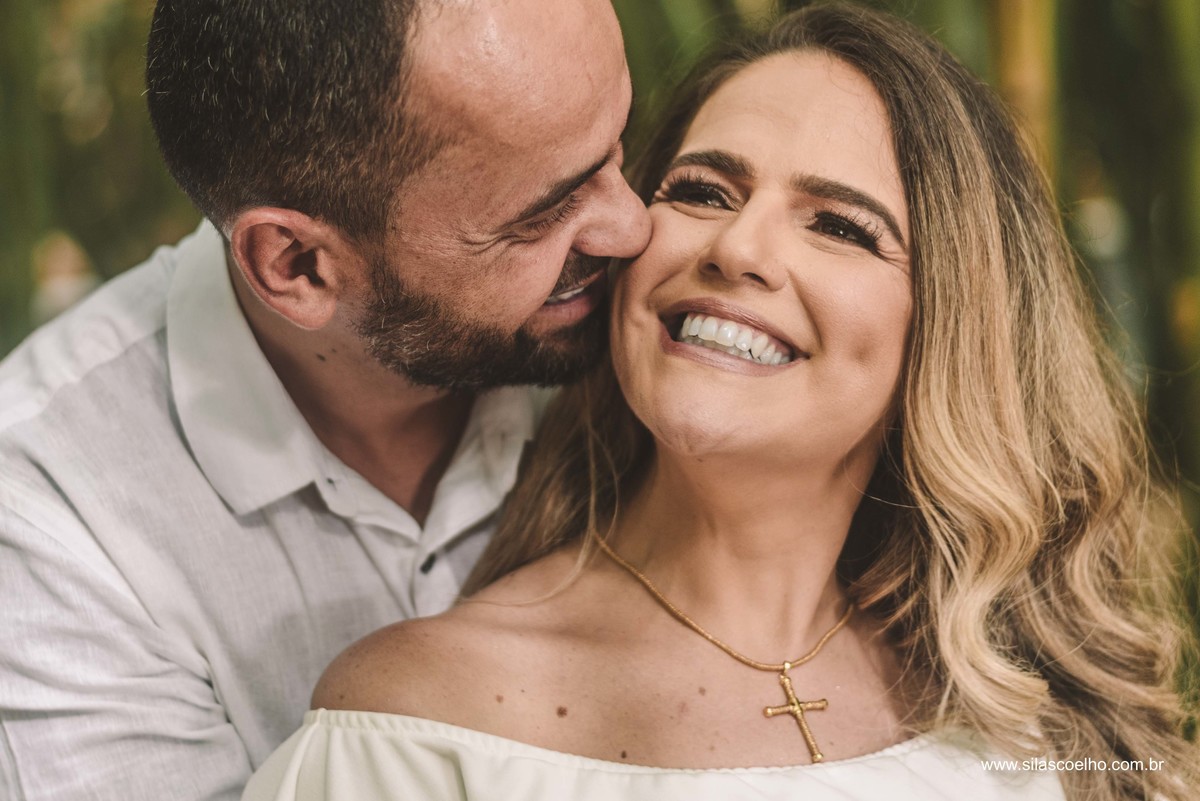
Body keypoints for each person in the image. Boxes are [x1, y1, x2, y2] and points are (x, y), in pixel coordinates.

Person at [241, 3, 1200, 800]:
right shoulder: (411, 732)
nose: (738, 249)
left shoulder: (1051, 713)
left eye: (838, 226)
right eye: (703, 190)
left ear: (955, 320)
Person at [0, 0, 650, 799]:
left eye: (620, 145)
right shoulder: (57, 527)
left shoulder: (651, 340)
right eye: (546, 212)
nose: (634, 227)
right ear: (299, 264)